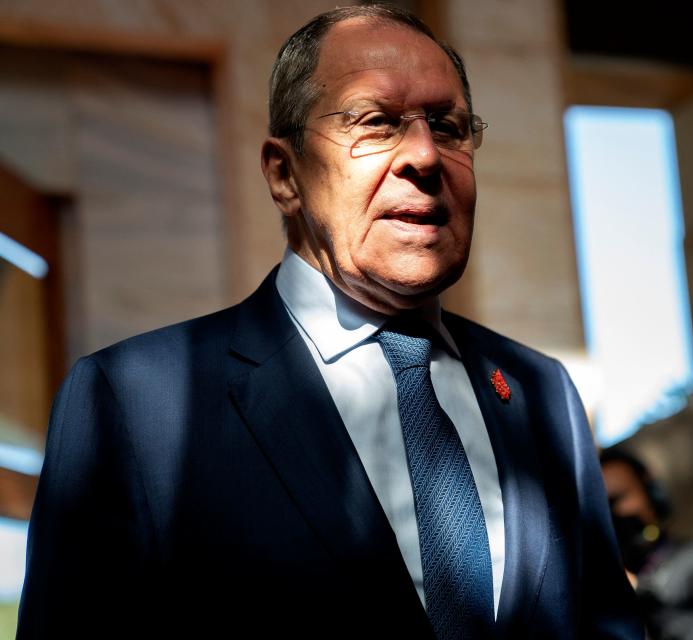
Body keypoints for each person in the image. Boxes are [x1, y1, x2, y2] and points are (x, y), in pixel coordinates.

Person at [17, 6, 642, 639]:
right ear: (284, 175)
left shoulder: (544, 395)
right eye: (375, 123)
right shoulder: (132, 403)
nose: (424, 155)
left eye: (448, 127)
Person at [600, 447, 693, 639]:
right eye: (602, 508)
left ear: (652, 493)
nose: (612, 515)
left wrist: (640, 594)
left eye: (616, 500)